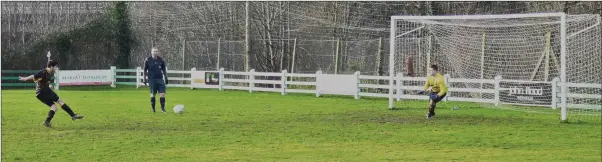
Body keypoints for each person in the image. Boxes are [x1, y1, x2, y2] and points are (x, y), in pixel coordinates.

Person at [19, 60, 84, 127]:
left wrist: (49, 85)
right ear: (51, 66)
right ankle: (73, 115)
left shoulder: (49, 73)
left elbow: (41, 81)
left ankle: (47, 122)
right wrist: (25, 79)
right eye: (56, 66)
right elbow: (34, 76)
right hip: (43, 91)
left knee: (54, 107)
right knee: (59, 101)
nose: (57, 68)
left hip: (39, 94)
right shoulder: (44, 72)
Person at [143, 47, 168, 113]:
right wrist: (144, 79)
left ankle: (163, 109)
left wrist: (165, 77)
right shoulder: (148, 60)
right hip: (152, 80)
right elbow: (145, 70)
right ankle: (153, 109)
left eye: (156, 51)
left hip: (160, 79)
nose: (155, 53)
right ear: (151, 52)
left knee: (162, 94)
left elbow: (164, 69)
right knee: (152, 94)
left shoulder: (161, 60)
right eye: (154, 51)